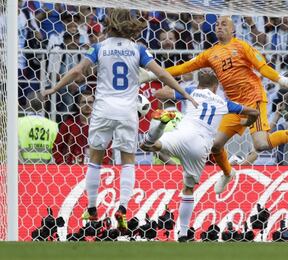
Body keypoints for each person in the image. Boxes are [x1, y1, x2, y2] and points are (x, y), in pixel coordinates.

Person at [42, 8, 197, 231]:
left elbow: (77, 71)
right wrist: (185, 93)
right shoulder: (138, 49)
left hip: (103, 109)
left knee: (95, 157)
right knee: (128, 160)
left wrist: (55, 88)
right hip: (127, 111)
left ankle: (92, 208)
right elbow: (162, 74)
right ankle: (123, 208)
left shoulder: (100, 48)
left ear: (110, 24)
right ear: (130, 26)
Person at [141, 16, 288, 195]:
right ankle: (228, 173)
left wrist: (284, 81)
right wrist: (151, 75)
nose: (219, 27)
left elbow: (262, 67)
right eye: (217, 24)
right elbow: (184, 67)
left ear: (233, 29)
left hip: (253, 99)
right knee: (216, 145)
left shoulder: (242, 46)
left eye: (224, 24)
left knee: (261, 144)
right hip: (234, 104)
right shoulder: (210, 54)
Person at [140, 69, 259, 242]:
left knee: (151, 145)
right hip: (200, 147)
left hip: (181, 135)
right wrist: (245, 122)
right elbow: (254, 113)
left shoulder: (191, 91)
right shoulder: (224, 103)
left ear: (198, 83)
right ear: (216, 86)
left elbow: (160, 93)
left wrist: (176, 92)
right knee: (188, 189)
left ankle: (156, 132)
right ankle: (183, 234)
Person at [53, 90, 113, 164]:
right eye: (84, 102)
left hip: (94, 167)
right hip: (71, 168)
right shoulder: (68, 125)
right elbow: (57, 147)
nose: (87, 105)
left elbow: (108, 148)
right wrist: (62, 163)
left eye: (90, 102)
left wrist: (102, 164)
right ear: (78, 105)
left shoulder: (102, 126)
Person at [18, 91, 58, 164]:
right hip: (45, 169)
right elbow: (55, 150)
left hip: (22, 168)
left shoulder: (18, 123)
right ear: (44, 104)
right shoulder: (53, 125)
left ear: (27, 104)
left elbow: (15, 148)